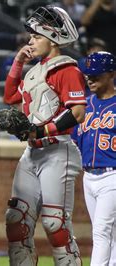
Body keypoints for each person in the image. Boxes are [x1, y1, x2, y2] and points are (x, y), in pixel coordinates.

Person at [2, 6, 86, 265]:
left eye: (37, 36)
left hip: (58, 150)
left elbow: (78, 112)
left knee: (54, 223)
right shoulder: (35, 70)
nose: (31, 41)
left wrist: (41, 130)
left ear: (52, 39)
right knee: (15, 219)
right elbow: (10, 96)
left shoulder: (67, 69)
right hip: (33, 151)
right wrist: (18, 62)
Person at [73, 51, 116, 266]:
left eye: (96, 74)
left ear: (111, 74)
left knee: (101, 232)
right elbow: (73, 141)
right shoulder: (84, 105)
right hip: (88, 176)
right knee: (111, 234)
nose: (90, 78)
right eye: (88, 74)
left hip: (112, 176)